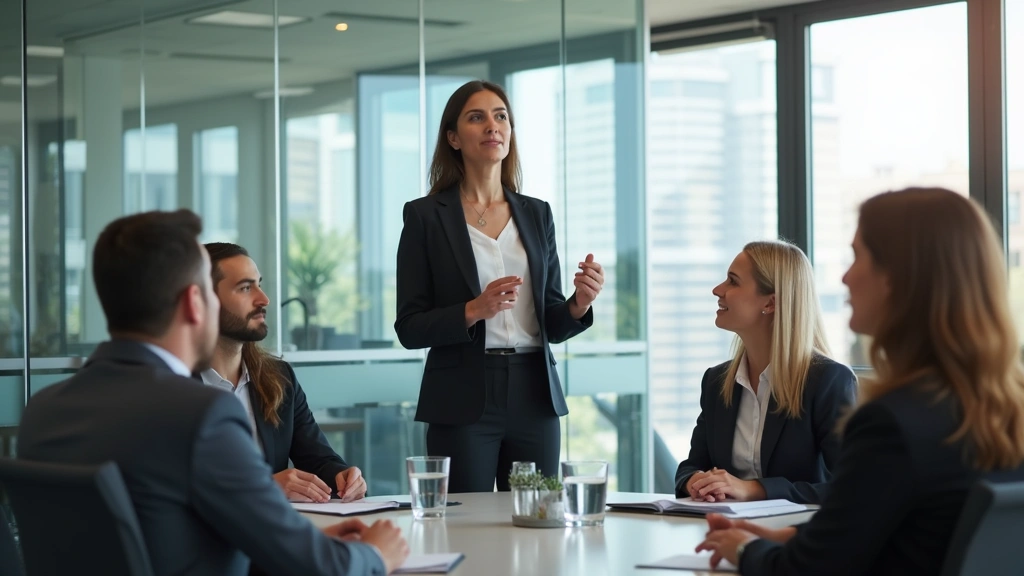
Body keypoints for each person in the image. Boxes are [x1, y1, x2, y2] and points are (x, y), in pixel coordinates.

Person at [17, 210, 408, 576]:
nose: (262, 299)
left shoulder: (42, 410)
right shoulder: (199, 413)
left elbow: (155, 530)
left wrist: (302, 540)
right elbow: (319, 568)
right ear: (194, 302)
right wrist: (375, 553)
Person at [697, 188, 1024, 575]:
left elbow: (809, 570)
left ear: (899, 276)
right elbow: (892, 531)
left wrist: (745, 550)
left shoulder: (893, 423)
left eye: (857, 256)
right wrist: (778, 536)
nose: (845, 276)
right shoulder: (998, 408)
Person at [395, 80, 605, 492]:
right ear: (453, 138)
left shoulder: (537, 214)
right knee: (465, 527)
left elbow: (552, 320)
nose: (493, 126)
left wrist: (579, 303)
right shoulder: (425, 217)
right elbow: (410, 327)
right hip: (462, 397)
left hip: (534, 394)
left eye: (501, 116)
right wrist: (473, 309)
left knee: (536, 521)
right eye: (477, 117)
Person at [675, 241, 856, 505]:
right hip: (725, 531)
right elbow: (691, 467)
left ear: (770, 303)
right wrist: (695, 482)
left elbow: (851, 486)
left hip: (798, 537)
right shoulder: (716, 382)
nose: (717, 290)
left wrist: (754, 489)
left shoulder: (828, 381)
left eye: (732, 281)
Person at [202, 242, 366, 503]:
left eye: (259, 284)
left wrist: (343, 476)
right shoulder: (168, 386)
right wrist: (262, 487)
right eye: (246, 288)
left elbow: (318, 459)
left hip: (275, 536)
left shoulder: (279, 377)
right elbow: (170, 484)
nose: (263, 299)